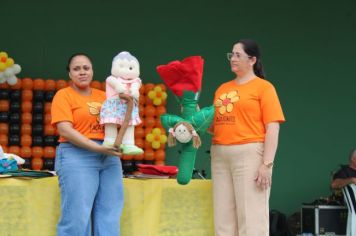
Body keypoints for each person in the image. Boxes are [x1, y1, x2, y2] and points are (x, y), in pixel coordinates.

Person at [209, 39, 285, 236]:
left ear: (252, 60)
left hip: (250, 153)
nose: (232, 59)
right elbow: (215, 126)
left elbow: (273, 128)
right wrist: (193, 117)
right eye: (231, 55)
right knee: (222, 217)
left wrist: (266, 164)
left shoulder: (264, 88)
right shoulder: (222, 89)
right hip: (220, 154)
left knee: (251, 217)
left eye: (237, 55)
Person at [51, 53, 124, 236]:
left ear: (92, 71)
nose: (82, 72)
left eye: (86, 68)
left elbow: (117, 124)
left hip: (108, 157)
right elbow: (65, 130)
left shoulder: (105, 96)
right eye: (76, 69)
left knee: (110, 215)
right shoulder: (63, 95)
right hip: (76, 155)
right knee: (77, 217)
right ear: (70, 74)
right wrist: (98, 148)